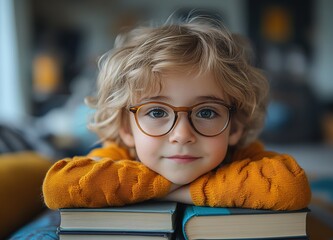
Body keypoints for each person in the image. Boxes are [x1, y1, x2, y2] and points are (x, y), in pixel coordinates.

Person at [42, 17, 311, 211]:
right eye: (157, 111)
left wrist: (184, 191)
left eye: (206, 112)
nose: (182, 135)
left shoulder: (241, 154)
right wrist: (166, 187)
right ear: (126, 127)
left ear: (235, 126)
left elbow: (291, 188)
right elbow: (58, 187)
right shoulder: (118, 155)